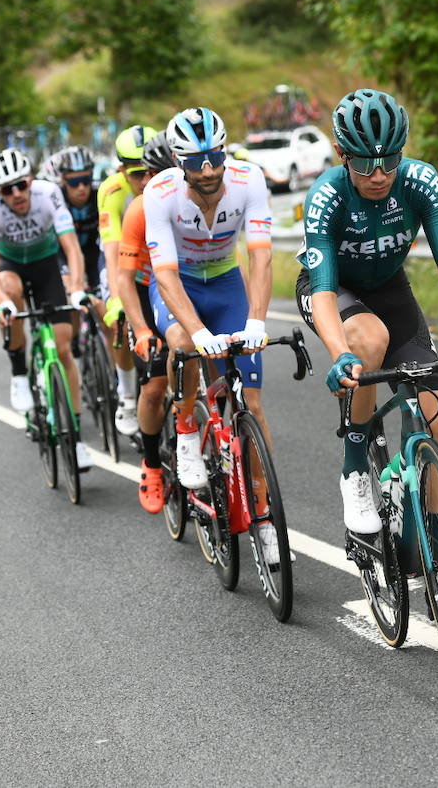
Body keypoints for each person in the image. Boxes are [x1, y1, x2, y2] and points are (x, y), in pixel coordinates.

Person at [296, 88, 438, 616]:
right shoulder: (326, 196)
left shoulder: (420, 181)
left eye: (390, 158)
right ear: (345, 156)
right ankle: (354, 468)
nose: (379, 172)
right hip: (333, 290)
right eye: (365, 162)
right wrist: (340, 352)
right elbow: (321, 288)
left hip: (391, 290)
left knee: (433, 420)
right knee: (369, 342)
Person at [144, 107, 277, 554]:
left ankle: (264, 513)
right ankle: (184, 427)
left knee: (251, 403)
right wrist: (199, 332)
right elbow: (162, 275)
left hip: (225, 283)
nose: (208, 170)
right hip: (179, 284)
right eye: (196, 163)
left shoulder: (248, 179)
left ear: (225, 150)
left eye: (214, 157)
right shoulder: (159, 194)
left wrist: (256, 320)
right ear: (179, 163)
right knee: (183, 343)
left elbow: (260, 256)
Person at [0, 147, 93, 471]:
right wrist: (2, 302)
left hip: (45, 264)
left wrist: (78, 288)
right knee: (10, 294)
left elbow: (71, 247)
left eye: (21, 185)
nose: (16, 194)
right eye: (6, 190)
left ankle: (77, 438)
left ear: (31, 180)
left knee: (64, 348)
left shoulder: (49, 194)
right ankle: (18, 373)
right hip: (10, 264)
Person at [114, 130, 177, 512]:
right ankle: (152, 464)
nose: (151, 183)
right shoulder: (137, 208)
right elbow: (121, 275)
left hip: (188, 286)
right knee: (154, 385)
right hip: (144, 288)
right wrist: (138, 328)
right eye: (143, 175)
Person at [94, 124, 161, 437]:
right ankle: (125, 395)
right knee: (117, 319)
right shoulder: (111, 192)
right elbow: (112, 250)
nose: (144, 180)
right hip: (123, 259)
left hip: (157, 262)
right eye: (136, 173)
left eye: (150, 170)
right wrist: (116, 298)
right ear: (121, 169)